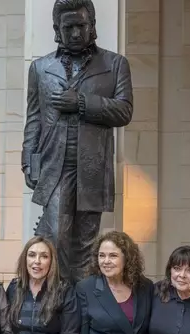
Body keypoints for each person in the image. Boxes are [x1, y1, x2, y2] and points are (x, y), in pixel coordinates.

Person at [22, 0, 134, 282]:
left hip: (92, 168)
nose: (75, 33)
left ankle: (80, 306)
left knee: (86, 243)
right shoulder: (40, 68)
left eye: (81, 26)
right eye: (68, 27)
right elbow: (34, 118)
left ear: (92, 26)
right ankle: (55, 301)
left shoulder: (114, 64)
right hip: (54, 166)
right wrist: (28, 161)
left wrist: (82, 102)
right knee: (55, 237)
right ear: (57, 29)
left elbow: (124, 110)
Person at [71, 231, 154, 334]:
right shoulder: (86, 288)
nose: (106, 261)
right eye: (102, 256)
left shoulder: (145, 287)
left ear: (127, 258)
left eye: (113, 256)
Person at [4, 237, 80, 334]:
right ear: (25, 259)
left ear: (51, 262)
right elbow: (8, 331)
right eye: (32, 255)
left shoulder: (65, 291)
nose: (37, 261)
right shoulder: (14, 289)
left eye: (44, 256)